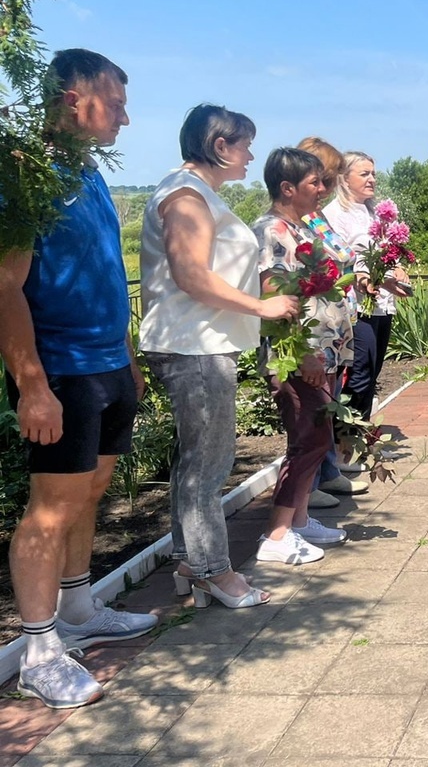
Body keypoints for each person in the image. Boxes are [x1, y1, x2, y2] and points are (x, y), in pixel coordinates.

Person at [0, 49, 158, 708]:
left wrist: (126, 357)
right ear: (72, 99)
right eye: (115, 102)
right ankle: (40, 653)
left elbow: (101, 270)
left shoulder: (89, 172)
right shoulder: (24, 173)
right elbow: (6, 286)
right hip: (60, 369)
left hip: (105, 364)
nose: (126, 115)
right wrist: (32, 384)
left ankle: (81, 611)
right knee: (52, 506)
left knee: (90, 491)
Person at [139, 105, 299, 610]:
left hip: (203, 343)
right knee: (209, 468)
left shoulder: (197, 193)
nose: (251, 155)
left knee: (198, 464)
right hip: (195, 346)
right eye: (244, 144)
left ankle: (191, 560)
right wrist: (260, 304)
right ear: (219, 146)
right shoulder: (186, 197)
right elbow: (190, 274)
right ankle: (214, 572)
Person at [251, 148, 354, 564]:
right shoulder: (273, 230)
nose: (324, 189)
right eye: (316, 183)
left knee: (316, 435)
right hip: (294, 355)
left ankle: (299, 519)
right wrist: (305, 354)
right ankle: (276, 535)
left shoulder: (300, 227)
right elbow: (274, 297)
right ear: (287, 188)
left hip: (319, 351)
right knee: (307, 438)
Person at [295, 137, 367, 504]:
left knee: (329, 403)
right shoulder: (298, 221)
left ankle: (327, 472)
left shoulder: (318, 217)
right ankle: (307, 488)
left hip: (334, 328)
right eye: (325, 177)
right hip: (315, 329)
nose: (328, 186)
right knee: (315, 411)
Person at [324, 151, 411, 424]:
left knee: (373, 369)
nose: (372, 179)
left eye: (373, 173)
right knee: (358, 370)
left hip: (382, 302)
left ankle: (359, 434)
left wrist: (398, 267)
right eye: (364, 174)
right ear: (344, 178)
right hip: (355, 305)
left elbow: (388, 252)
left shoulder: (375, 213)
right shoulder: (334, 214)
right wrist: (367, 275)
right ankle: (344, 440)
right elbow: (338, 261)